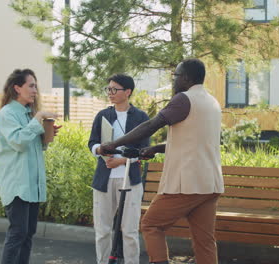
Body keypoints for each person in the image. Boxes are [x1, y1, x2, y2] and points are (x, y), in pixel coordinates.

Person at [100, 59, 224, 264]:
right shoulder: (212, 102)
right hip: (210, 184)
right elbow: (195, 141)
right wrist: (156, 149)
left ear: (186, 78)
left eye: (175, 76)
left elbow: (151, 125)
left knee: (151, 225)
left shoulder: (184, 99)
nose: (173, 80)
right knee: (205, 242)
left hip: (187, 183)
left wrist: (114, 144)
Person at [0, 69, 60, 264]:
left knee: (28, 233)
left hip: (31, 183)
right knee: (18, 232)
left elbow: (35, 148)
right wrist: (38, 118)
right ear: (17, 88)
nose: (35, 90)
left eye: (36, 86)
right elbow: (18, 142)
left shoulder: (28, 114)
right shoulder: (7, 113)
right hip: (17, 184)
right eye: (31, 85)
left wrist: (46, 136)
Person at [88, 73, 150, 264]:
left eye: (115, 89)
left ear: (128, 92)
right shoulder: (103, 115)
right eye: (109, 89)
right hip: (104, 180)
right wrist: (100, 150)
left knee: (130, 231)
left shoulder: (141, 117)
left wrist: (122, 160)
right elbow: (92, 143)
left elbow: (144, 151)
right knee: (102, 230)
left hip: (130, 179)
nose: (110, 93)